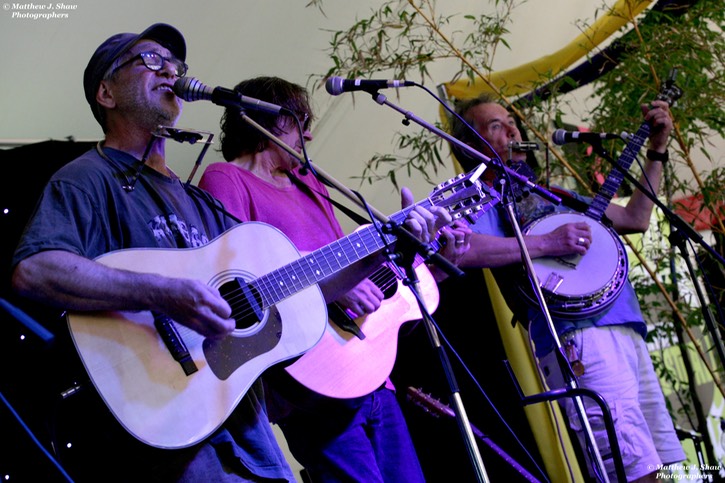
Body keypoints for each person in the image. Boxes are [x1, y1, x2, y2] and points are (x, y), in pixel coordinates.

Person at [9, 26, 445, 482]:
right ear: (106, 92)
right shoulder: (86, 178)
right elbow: (35, 270)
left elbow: (296, 286)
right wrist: (162, 293)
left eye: (176, 65)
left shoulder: (199, 202)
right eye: (151, 60)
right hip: (168, 427)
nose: (171, 71)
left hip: (245, 433)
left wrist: (387, 248)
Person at [198, 76, 469, 482]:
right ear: (266, 120)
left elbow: (353, 270)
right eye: (299, 121)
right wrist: (331, 290)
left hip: (370, 369)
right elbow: (234, 277)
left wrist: (423, 256)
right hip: (311, 381)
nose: (308, 133)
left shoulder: (310, 183)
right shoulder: (226, 178)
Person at [449, 94, 686, 482]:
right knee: (631, 468)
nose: (513, 129)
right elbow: (465, 250)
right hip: (575, 339)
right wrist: (547, 244)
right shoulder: (481, 200)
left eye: (511, 121)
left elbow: (635, 217)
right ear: (472, 147)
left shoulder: (552, 192)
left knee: (660, 463)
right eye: (496, 126)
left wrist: (657, 151)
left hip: (624, 326)